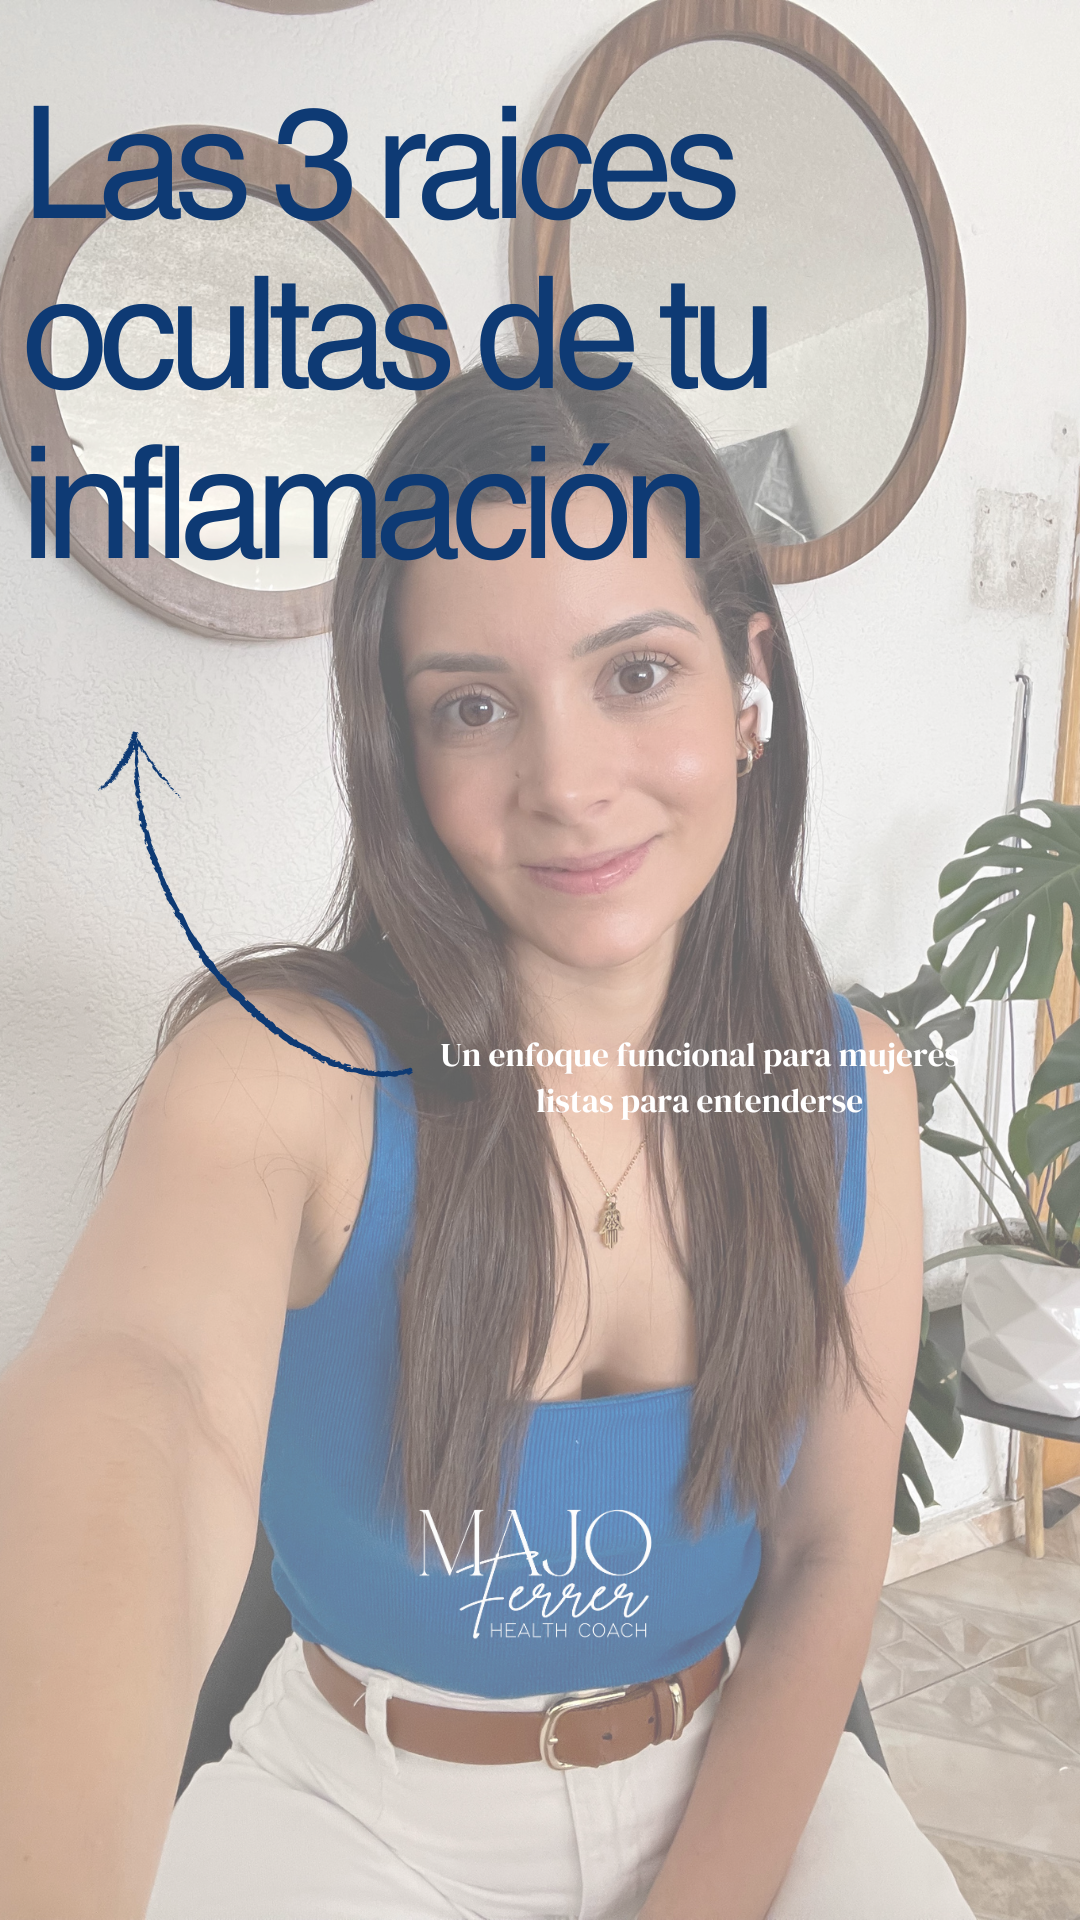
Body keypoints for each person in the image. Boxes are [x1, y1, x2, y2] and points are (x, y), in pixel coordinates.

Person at [0, 361, 973, 1920]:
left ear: (747, 684)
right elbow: (137, 1399)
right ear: (399, 749)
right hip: (353, 1817)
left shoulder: (844, 1084)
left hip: (739, 1786)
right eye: (473, 706)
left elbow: (823, 1564)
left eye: (636, 673)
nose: (567, 786)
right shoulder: (282, 1072)